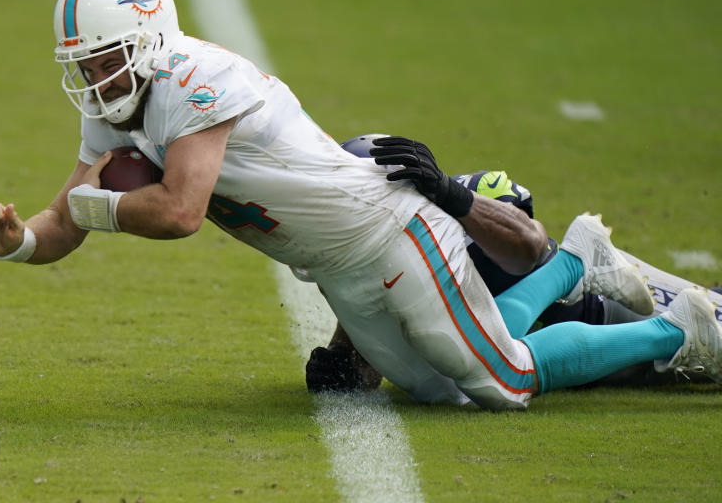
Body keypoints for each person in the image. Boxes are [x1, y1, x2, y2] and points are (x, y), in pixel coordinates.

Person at [0, 0, 722, 411]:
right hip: (336, 264)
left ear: (151, 40)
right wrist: (21, 241)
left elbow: (179, 211)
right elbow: (67, 214)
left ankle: (682, 330)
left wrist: (96, 208)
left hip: (386, 228)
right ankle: (574, 260)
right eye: (87, 65)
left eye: (108, 59)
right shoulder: (124, 105)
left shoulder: (192, 78)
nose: (97, 79)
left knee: (504, 381)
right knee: (439, 388)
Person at [303, 135, 722, 396]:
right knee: (472, 361)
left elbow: (531, 244)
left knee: (711, 326)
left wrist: (453, 197)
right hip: (540, 339)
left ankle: (578, 266)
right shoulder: (347, 243)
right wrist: (345, 363)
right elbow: (370, 310)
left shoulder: (451, 200)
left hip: (602, 303)